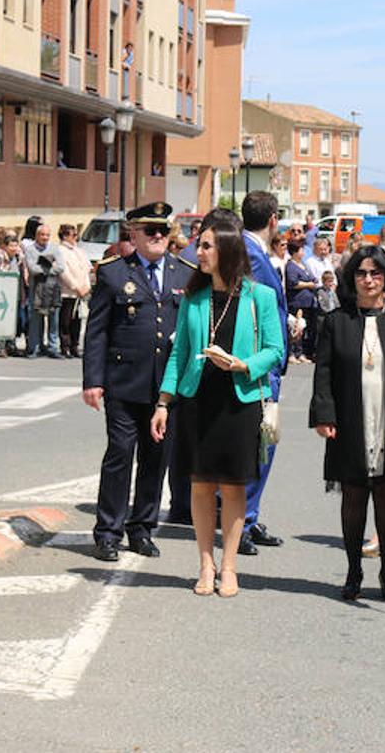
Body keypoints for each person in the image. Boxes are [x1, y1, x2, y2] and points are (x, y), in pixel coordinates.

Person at [151, 214, 283, 597]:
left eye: (207, 245)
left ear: (226, 250)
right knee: (201, 486)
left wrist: (244, 365)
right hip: (198, 401)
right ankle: (205, 564)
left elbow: (275, 350)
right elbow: (179, 353)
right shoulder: (195, 297)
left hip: (239, 401)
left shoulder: (261, 296)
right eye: (199, 244)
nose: (199, 251)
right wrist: (163, 401)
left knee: (233, 486)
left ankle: (229, 567)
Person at [312, 246, 385, 600]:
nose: (368, 280)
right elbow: (324, 373)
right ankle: (353, 570)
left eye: (375, 273)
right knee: (354, 495)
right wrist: (324, 415)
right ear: (352, 278)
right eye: (361, 273)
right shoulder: (336, 320)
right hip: (350, 418)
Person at [82, 202, 192, 562]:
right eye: (150, 230)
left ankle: (141, 528)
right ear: (133, 233)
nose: (158, 236)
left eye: (163, 230)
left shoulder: (183, 273)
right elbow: (97, 330)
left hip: (166, 388)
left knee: (155, 459)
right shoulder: (114, 273)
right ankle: (108, 532)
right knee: (120, 455)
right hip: (124, 383)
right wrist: (92, 380)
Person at [237, 191, 292, 554]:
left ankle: (249, 516)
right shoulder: (250, 254)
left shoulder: (253, 251)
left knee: (263, 445)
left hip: (262, 362)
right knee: (256, 445)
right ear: (273, 219)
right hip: (257, 366)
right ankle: (239, 522)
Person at [23, 223, 64, 358]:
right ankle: (34, 347)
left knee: (54, 319)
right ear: (36, 235)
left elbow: (61, 267)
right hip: (37, 289)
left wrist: (45, 268)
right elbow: (32, 268)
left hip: (53, 288)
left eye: (47, 235)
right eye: (42, 235)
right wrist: (50, 266)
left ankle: (53, 348)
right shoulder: (30, 250)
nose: (45, 237)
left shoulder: (54, 248)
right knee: (36, 320)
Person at [57, 224, 91, 359]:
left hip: (82, 292)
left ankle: (75, 346)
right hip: (68, 292)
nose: (76, 237)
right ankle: (65, 346)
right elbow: (64, 272)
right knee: (66, 321)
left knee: (77, 320)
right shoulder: (60, 250)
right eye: (73, 235)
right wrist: (76, 287)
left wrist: (86, 287)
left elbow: (87, 269)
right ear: (65, 236)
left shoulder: (79, 251)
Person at [284, 238, 318, 364]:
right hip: (297, 301)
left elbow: (311, 278)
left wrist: (313, 281)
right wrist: (308, 285)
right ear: (295, 252)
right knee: (296, 327)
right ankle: (293, 352)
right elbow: (293, 283)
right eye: (301, 250)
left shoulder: (302, 265)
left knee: (304, 329)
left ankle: (301, 352)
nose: (303, 252)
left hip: (308, 301)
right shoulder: (291, 266)